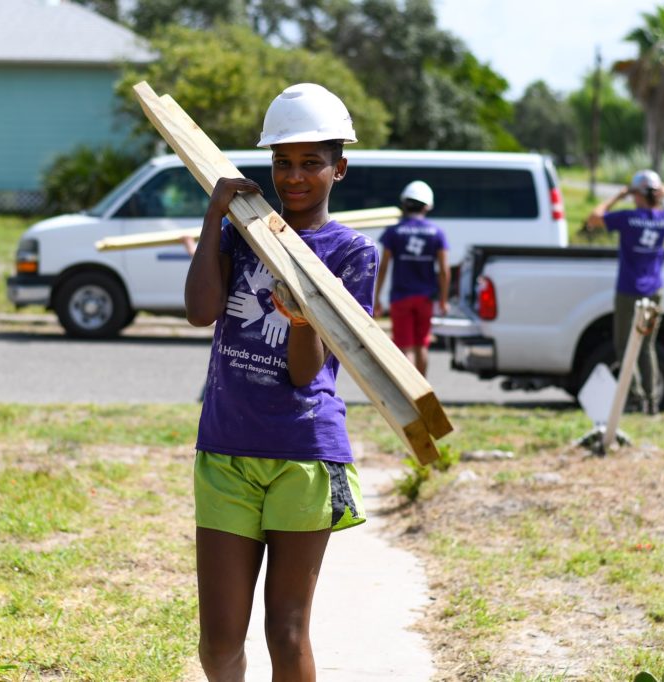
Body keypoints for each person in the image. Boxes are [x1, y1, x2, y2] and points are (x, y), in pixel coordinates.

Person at [183, 82, 378, 681]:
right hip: (226, 451)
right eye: (283, 162)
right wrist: (216, 214)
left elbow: (305, 373)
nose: (295, 177)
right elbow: (199, 311)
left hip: (303, 455)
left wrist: (301, 318)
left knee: (286, 632)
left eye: (311, 164)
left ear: (338, 169)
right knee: (218, 641)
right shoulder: (241, 231)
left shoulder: (352, 254)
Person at [584, 169, 664, 414]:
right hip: (654, 290)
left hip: (628, 290)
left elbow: (594, 217)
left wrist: (619, 196)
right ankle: (652, 400)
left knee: (623, 344)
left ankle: (635, 395)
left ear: (637, 195)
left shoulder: (628, 218)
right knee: (647, 346)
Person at [372, 180, 449, 376]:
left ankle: (408, 393)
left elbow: (384, 266)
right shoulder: (437, 232)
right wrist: (443, 299)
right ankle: (422, 391)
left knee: (405, 347)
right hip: (425, 297)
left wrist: (377, 297)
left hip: (401, 297)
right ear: (428, 206)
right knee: (422, 345)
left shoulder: (394, 231)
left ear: (404, 204)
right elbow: (444, 270)